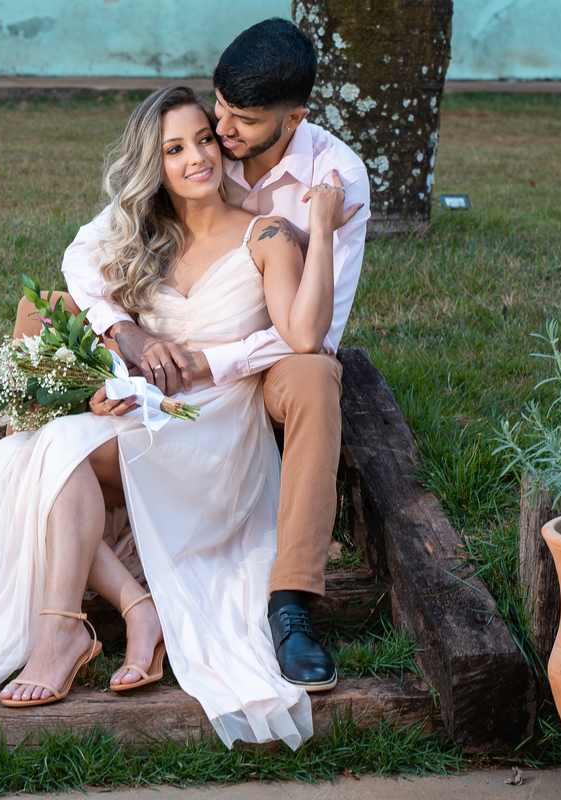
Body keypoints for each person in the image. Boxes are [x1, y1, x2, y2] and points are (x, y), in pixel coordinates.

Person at [0, 84, 356, 749]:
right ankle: (110, 614)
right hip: (154, 419)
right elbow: (82, 277)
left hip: (214, 438)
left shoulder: (266, 234)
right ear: (156, 165)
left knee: (39, 452)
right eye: (174, 149)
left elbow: (305, 335)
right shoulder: (144, 240)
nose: (196, 158)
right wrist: (113, 379)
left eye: (204, 140)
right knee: (31, 450)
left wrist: (321, 227)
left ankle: (75, 629)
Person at [49, 18, 370, 691]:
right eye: (218, 107)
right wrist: (127, 339)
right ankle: (100, 597)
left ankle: (291, 601)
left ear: (294, 118)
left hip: (269, 357)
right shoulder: (199, 144)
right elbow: (82, 254)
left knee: (316, 376)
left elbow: (313, 333)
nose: (219, 134)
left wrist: (212, 363)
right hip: (169, 372)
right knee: (44, 315)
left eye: (240, 121)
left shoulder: (334, 179)